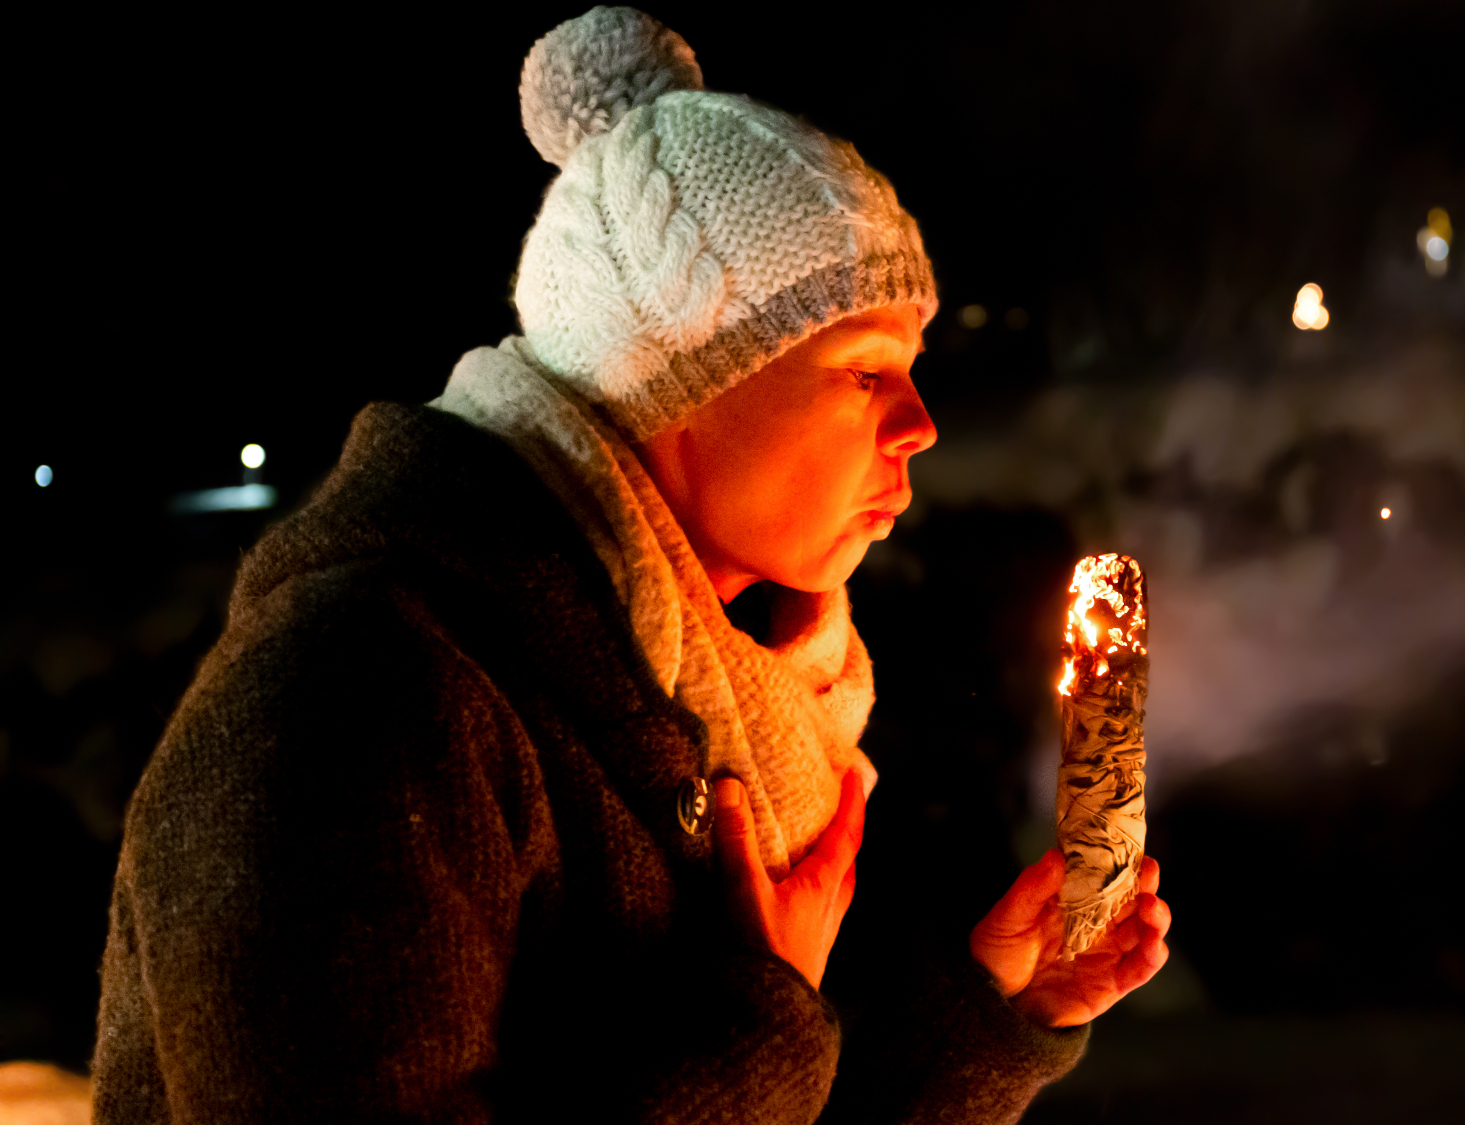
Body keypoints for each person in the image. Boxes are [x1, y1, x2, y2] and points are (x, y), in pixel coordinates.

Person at [89, 8, 1170, 1123]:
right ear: (682, 383)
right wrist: (752, 1028)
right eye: (861, 371)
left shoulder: (714, 702)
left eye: (912, 364)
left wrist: (987, 1011)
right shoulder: (364, 695)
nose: (920, 425)